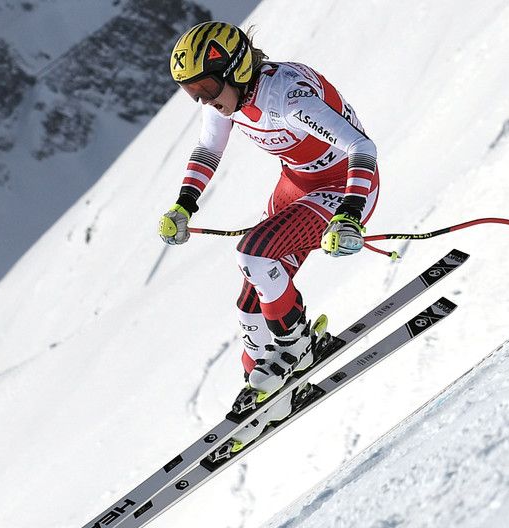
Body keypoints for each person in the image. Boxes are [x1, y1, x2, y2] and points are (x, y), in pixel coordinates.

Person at [159, 21, 379, 413]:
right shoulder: (229, 97)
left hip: (342, 188)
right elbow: (209, 148)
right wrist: (184, 203)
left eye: (206, 88)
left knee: (253, 253)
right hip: (296, 186)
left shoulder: (287, 99)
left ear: (237, 70)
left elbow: (362, 148)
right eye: (192, 92)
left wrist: (350, 214)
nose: (205, 101)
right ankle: (264, 394)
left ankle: (297, 347)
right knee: (250, 308)